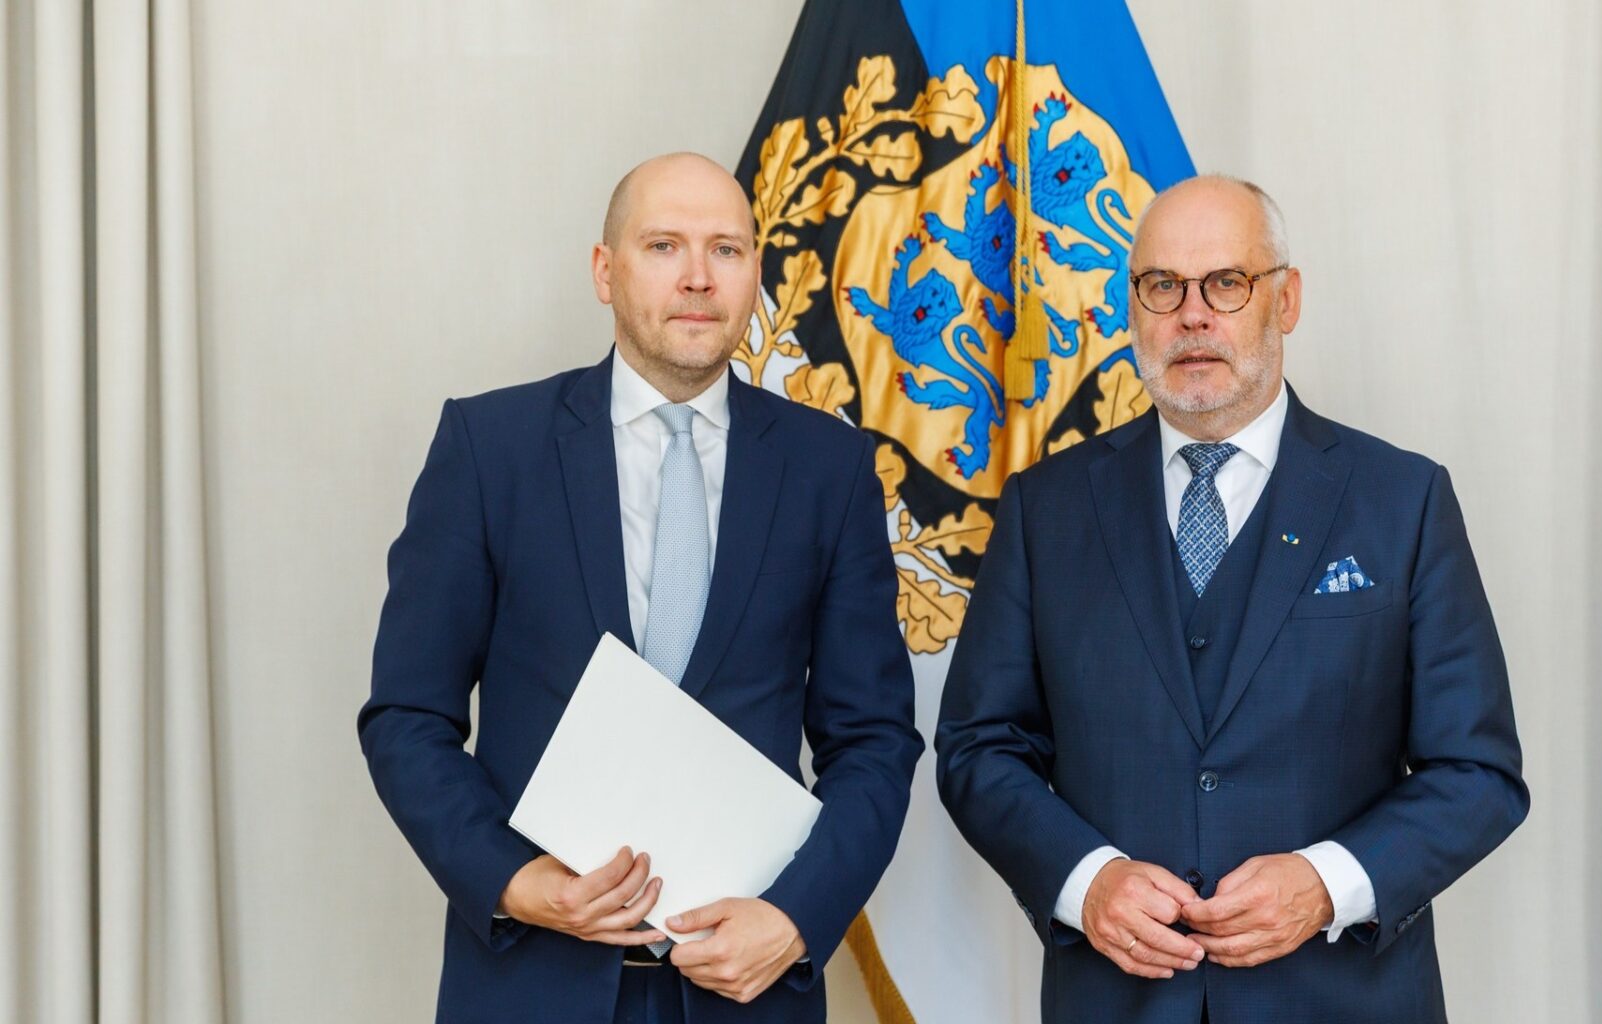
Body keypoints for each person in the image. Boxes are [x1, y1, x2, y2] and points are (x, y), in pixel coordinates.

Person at [935, 174, 1527, 1023]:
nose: (1193, 315)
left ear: (1284, 301)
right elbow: (977, 748)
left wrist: (1327, 884)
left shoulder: (1403, 501)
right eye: (1162, 287)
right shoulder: (1046, 509)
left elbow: (1478, 773)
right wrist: (1086, 881)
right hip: (1117, 1001)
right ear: (1132, 309)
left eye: (1227, 284)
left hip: (1346, 1001)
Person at [359, 152, 921, 1024]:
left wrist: (795, 919)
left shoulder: (830, 469)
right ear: (604, 270)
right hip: (532, 981)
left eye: (727, 250)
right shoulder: (489, 448)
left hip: (747, 988)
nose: (698, 278)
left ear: (754, 273)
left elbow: (875, 741)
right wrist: (514, 883)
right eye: (664, 246)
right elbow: (407, 715)